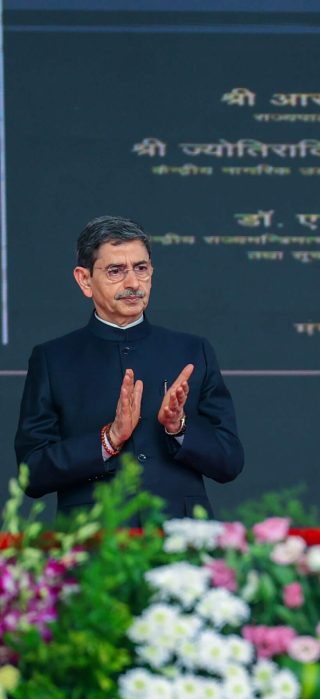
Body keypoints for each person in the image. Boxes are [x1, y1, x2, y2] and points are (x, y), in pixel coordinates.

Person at [15, 215, 244, 520]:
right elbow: (32, 473)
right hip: (94, 543)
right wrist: (108, 440)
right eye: (115, 271)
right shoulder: (53, 359)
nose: (133, 283)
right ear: (85, 280)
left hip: (182, 543)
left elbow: (229, 462)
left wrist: (180, 428)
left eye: (141, 268)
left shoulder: (192, 351)